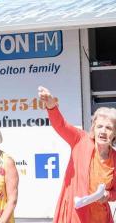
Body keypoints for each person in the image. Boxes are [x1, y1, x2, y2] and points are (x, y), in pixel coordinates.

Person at [38, 86, 116, 223]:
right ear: (93, 128)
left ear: (114, 133)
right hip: (75, 216)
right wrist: (51, 106)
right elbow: (61, 125)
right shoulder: (80, 140)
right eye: (99, 126)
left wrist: (108, 195)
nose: (103, 131)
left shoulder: (114, 158)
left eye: (108, 128)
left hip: (100, 218)